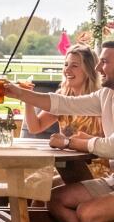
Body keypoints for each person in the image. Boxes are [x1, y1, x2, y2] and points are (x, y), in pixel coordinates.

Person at [4, 41, 114, 222]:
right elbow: (62, 103)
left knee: (86, 213)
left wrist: (69, 142)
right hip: (111, 181)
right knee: (54, 199)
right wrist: (20, 93)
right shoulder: (106, 95)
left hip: (98, 169)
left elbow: (111, 147)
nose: (98, 67)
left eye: (104, 62)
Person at [19, 44, 108, 178]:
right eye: (66, 65)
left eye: (74, 66)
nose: (67, 70)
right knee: (26, 182)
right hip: (66, 167)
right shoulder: (63, 96)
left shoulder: (101, 98)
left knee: (38, 186)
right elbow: (35, 127)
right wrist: (27, 97)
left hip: (96, 168)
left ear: (88, 70)